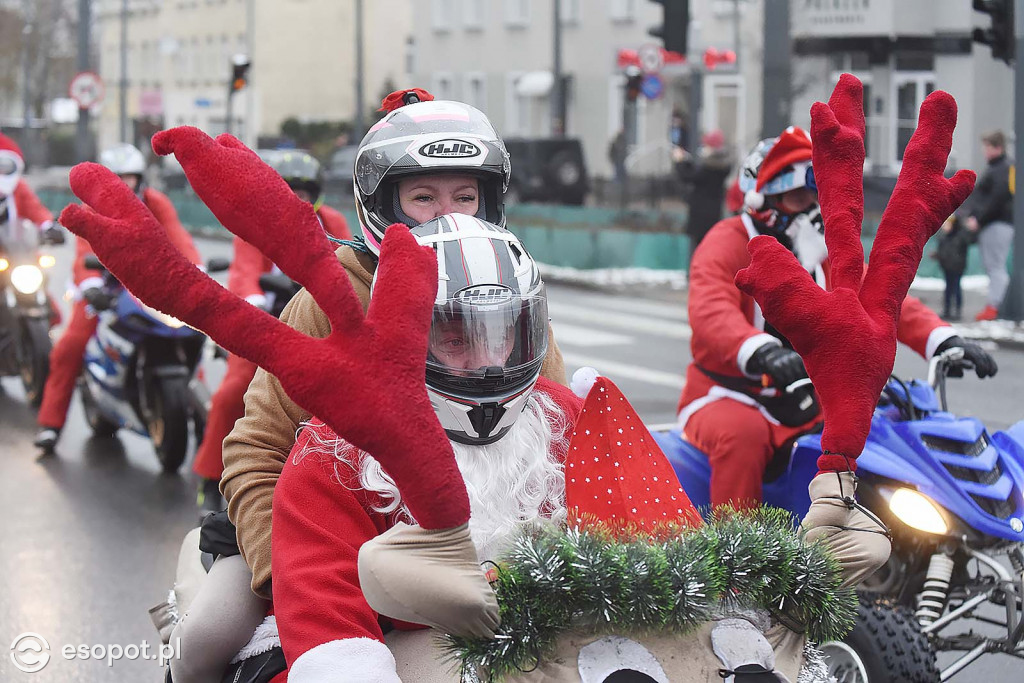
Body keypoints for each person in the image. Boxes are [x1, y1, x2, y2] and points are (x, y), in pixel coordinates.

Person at [216, 89, 569, 598]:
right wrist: (290, 575)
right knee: (210, 637)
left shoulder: (512, 289)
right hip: (340, 550)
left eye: (465, 197)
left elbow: (557, 430)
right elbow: (258, 447)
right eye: (424, 198)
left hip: (490, 554)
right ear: (383, 204)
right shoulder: (333, 297)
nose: (450, 215)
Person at [677, 126, 998, 510]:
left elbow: (882, 296)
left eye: (816, 194)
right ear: (766, 197)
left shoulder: (820, 251)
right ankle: (738, 559)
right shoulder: (726, 242)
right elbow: (711, 310)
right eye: (799, 196)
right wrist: (760, 350)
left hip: (806, 397)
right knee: (742, 438)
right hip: (729, 394)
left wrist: (942, 340)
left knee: (883, 428)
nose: (812, 205)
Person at [191, 149, 352, 517]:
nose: (298, 199)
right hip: (264, 330)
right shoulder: (255, 224)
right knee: (232, 395)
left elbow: (347, 265)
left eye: (305, 191)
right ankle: (209, 478)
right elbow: (245, 271)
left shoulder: (334, 222)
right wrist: (253, 299)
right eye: (289, 190)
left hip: (319, 329)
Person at [33, 143, 202, 453]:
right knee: (69, 347)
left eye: (130, 177)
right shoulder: (91, 209)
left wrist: (197, 271)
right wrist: (91, 286)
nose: (124, 185)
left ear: (140, 178)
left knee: (190, 336)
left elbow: (181, 240)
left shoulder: (157, 202)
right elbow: (83, 252)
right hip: (106, 289)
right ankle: (51, 425)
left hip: (153, 287)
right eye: (117, 178)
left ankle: (205, 415)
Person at [966, 130, 1014, 321]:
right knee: (994, 265)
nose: (984, 151)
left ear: (998, 147)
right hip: (995, 223)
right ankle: (995, 305)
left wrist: (979, 218)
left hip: (996, 223)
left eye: (988, 147)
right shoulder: (1000, 168)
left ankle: (995, 306)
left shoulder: (1001, 168)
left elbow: (997, 198)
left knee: (995, 265)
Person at [675, 129, 733, 258]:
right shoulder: (721, 167)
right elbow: (696, 173)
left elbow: (688, 176)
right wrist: (687, 162)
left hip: (700, 215)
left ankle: (696, 275)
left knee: (697, 251)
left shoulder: (708, 168)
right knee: (709, 248)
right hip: (713, 214)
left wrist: (679, 162)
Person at [0, 132, 61, 239]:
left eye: (6, 167)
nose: (1, 172)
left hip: (13, 248)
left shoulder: (18, 187)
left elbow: (35, 209)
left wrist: (48, 226)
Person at [934, 215, 972, 321]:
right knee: (948, 290)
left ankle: (957, 311)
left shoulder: (961, 235)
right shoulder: (944, 237)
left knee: (956, 288)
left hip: (957, 267)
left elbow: (968, 241)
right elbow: (943, 252)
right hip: (947, 267)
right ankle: (947, 310)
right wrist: (937, 256)